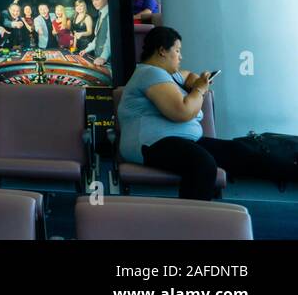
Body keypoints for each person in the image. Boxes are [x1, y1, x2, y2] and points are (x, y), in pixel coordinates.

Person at [117, 26, 294, 199]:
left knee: (238, 151)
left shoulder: (168, 74)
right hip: (150, 144)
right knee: (203, 164)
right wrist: (200, 90)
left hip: (179, 140)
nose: (181, 56)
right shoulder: (150, 74)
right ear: (162, 51)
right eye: (177, 51)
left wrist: (196, 81)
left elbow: (187, 76)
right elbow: (182, 111)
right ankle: (192, 223)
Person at [78, 0, 111, 67]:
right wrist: (86, 50)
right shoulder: (100, 14)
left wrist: (103, 57)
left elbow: (111, 40)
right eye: (93, 0)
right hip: (98, 58)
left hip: (108, 60)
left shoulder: (110, 14)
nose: (94, 3)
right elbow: (98, 38)